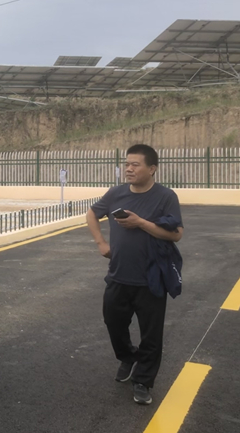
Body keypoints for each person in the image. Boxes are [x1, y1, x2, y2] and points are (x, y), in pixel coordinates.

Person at [86, 144, 184, 406]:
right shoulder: (115, 193)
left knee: (151, 334)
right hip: (118, 275)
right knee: (113, 322)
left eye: (135, 164)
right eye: (127, 164)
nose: (128, 169)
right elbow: (92, 213)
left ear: (152, 169)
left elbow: (176, 234)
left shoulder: (165, 196)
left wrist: (140, 222)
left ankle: (143, 381)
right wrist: (101, 243)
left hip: (151, 278)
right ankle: (128, 356)